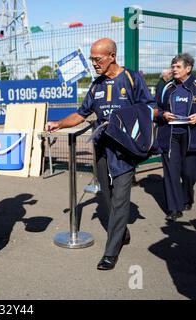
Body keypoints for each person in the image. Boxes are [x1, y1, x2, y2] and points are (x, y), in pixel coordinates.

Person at [46, 38, 156, 271]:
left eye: (98, 59)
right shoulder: (96, 85)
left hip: (125, 149)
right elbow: (81, 114)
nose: (94, 63)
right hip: (102, 147)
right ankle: (121, 230)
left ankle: (110, 252)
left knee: (119, 198)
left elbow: (149, 108)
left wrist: (126, 122)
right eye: (91, 59)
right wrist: (59, 124)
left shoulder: (132, 78)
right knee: (107, 196)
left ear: (112, 56)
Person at [156, 53, 196, 221]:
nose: (174, 69)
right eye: (173, 66)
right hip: (170, 136)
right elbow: (155, 108)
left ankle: (187, 198)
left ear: (188, 68)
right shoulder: (167, 87)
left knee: (189, 173)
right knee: (171, 172)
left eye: (178, 66)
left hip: (192, 137)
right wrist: (163, 114)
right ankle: (174, 208)